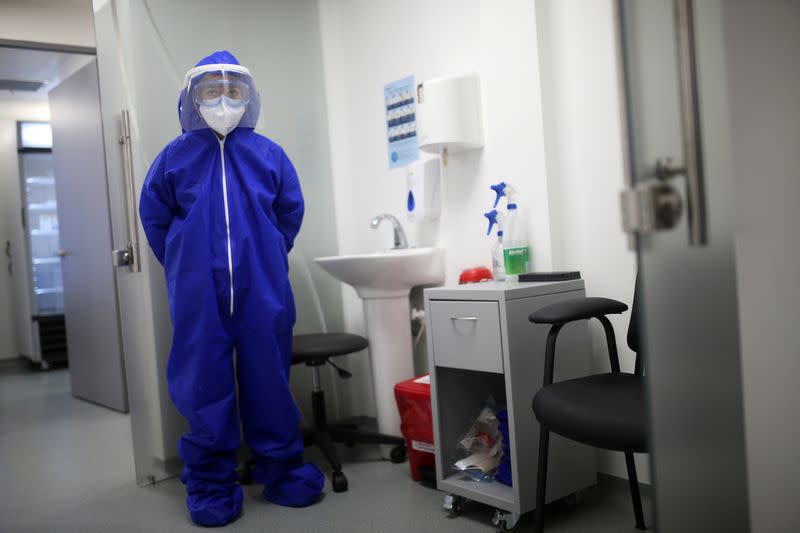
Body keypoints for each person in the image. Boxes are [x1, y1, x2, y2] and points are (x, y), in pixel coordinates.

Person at [139, 50, 324, 527]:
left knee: (270, 381)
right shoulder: (173, 159)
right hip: (199, 294)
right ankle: (209, 485)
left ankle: (283, 472)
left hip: (264, 288)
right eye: (211, 91)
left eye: (233, 91)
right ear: (192, 98)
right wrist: (186, 263)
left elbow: (290, 212)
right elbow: (155, 219)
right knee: (204, 386)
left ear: (248, 97)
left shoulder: (268, 155)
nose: (223, 100)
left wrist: (264, 252)